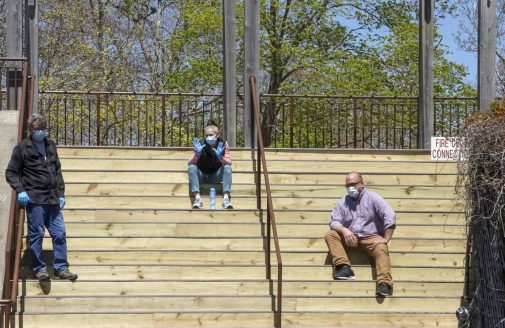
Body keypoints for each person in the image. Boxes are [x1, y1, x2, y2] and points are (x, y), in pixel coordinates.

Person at [5, 113, 78, 281]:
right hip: (35, 199)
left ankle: (61, 268)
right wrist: (20, 190)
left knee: (59, 233)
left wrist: (61, 193)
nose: (40, 132)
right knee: (36, 233)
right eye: (37, 129)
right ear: (30, 129)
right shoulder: (22, 148)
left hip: (53, 199)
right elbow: (11, 172)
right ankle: (39, 268)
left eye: (43, 129)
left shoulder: (51, 145)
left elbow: (57, 171)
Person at [324, 172, 395, 296]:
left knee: (381, 248)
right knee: (331, 234)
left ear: (362, 183)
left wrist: (386, 238)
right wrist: (344, 230)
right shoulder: (343, 202)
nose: (350, 188)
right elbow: (334, 221)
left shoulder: (373, 198)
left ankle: (384, 283)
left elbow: (390, 216)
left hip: (371, 237)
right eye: (347, 185)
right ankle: (343, 268)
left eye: (353, 184)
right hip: (350, 236)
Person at [188, 123, 233, 209]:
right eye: (206, 135)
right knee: (191, 168)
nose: (209, 137)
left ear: (217, 135)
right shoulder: (200, 144)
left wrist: (220, 157)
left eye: (211, 135)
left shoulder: (223, 144)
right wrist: (197, 154)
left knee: (227, 168)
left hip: (215, 175)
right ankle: (197, 199)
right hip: (201, 174)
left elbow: (229, 162)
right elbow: (189, 162)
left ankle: (226, 199)